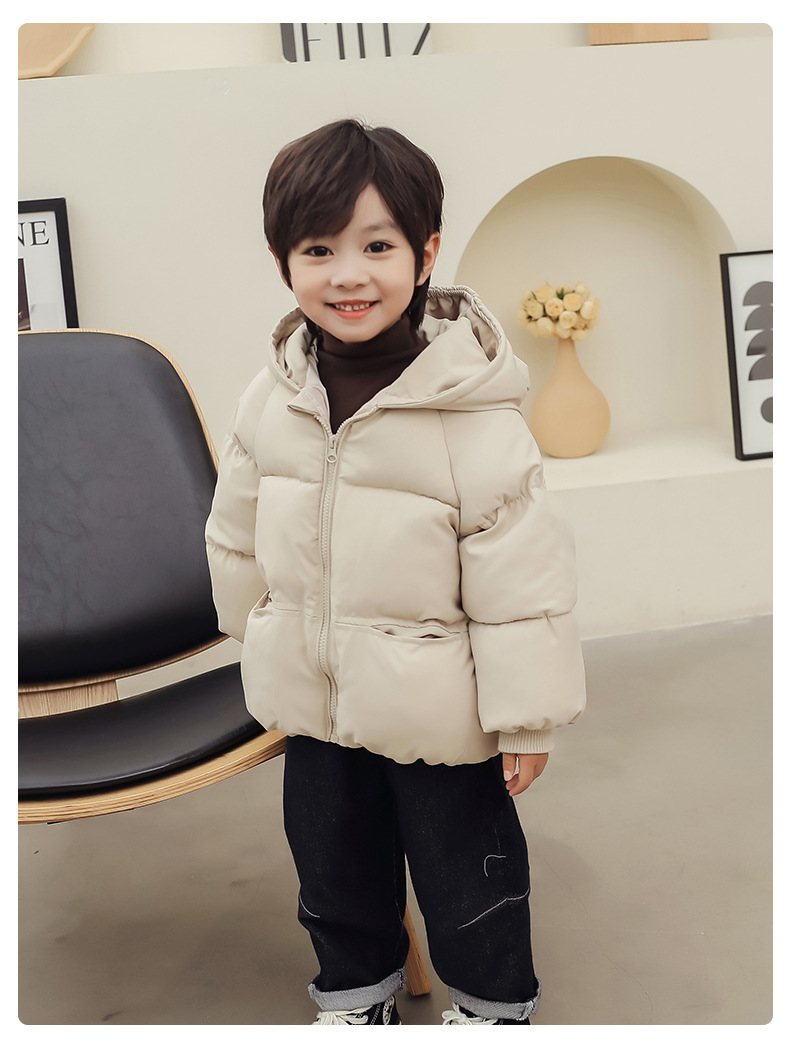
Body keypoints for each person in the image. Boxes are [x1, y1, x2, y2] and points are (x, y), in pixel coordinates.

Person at [205, 118, 586, 1026]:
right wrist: (254, 634)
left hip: (439, 705)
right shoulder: (274, 395)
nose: (349, 274)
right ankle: (355, 995)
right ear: (282, 262)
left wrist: (527, 714)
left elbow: (521, 582)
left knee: (467, 868)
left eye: (377, 246)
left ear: (426, 253)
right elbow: (236, 526)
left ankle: (492, 1004)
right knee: (331, 864)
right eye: (318, 249)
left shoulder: (472, 413)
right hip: (317, 695)